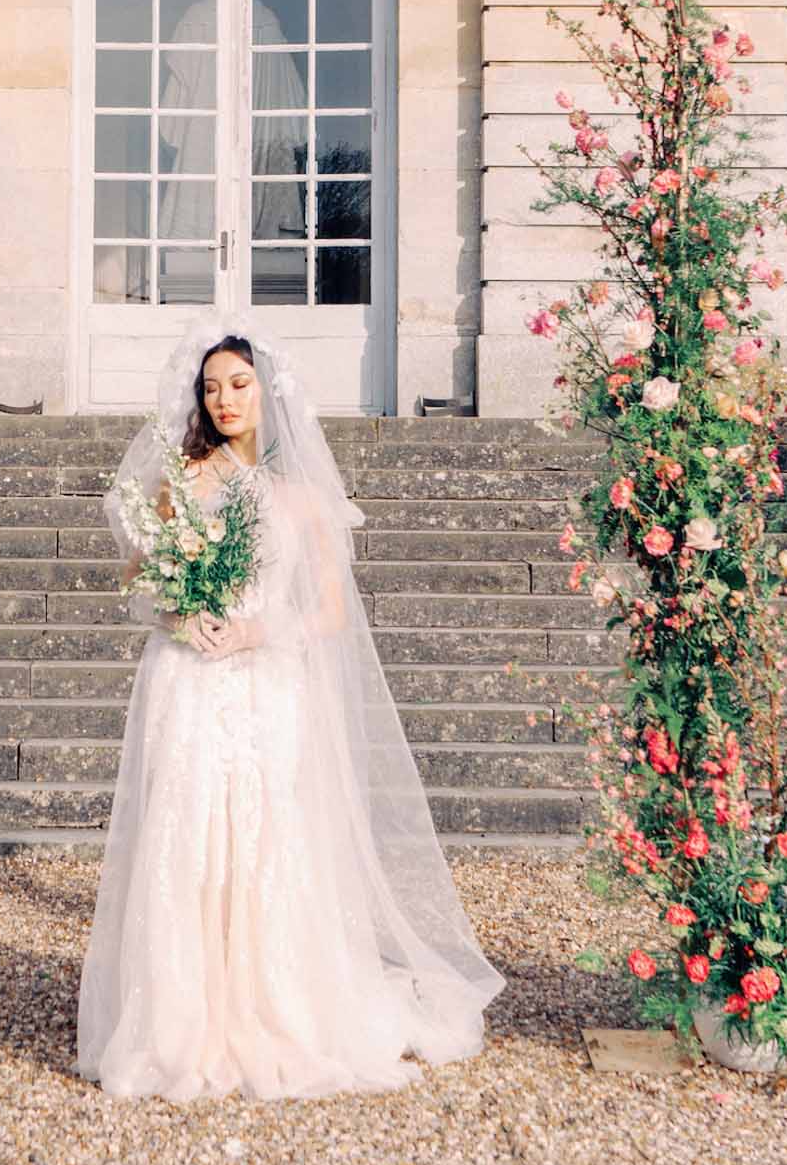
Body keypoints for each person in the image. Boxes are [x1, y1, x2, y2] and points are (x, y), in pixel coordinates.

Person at [75, 312, 505, 1100]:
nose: (224, 399)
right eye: (210, 389)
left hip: (269, 683)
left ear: (268, 393)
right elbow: (137, 580)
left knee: (268, 840)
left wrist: (253, 629)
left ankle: (274, 1004)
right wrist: (180, 617)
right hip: (188, 681)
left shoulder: (303, 498)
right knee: (188, 837)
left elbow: (331, 614)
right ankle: (180, 1017)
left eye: (238, 384)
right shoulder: (179, 482)